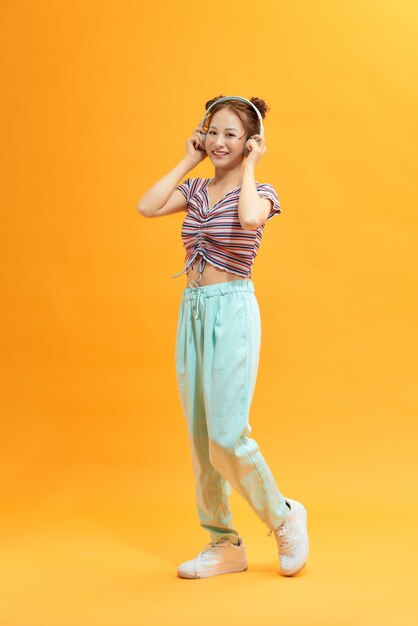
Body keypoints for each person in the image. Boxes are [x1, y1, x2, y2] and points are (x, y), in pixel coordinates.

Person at [137, 95, 309, 579]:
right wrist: (189, 158)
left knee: (227, 433)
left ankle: (284, 516)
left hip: (232, 308)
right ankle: (223, 542)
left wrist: (251, 165)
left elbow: (252, 219)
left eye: (231, 134)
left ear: (250, 141)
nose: (219, 141)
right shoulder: (194, 191)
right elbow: (147, 207)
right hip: (191, 311)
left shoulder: (263, 192)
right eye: (213, 131)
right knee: (200, 436)